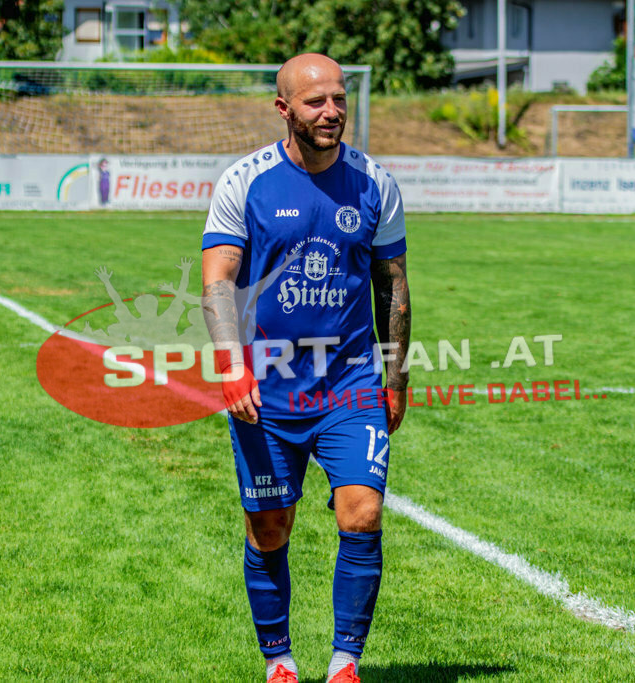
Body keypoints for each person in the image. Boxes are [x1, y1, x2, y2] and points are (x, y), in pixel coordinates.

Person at [201, 53, 411, 683]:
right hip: (266, 389)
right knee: (270, 525)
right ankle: (279, 661)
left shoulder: (375, 182)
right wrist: (230, 366)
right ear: (283, 107)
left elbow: (393, 287)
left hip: (350, 385)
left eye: (339, 100)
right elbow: (218, 283)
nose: (332, 113)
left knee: (362, 513)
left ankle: (346, 663)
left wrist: (394, 378)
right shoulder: (245, 181)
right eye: (316, 102)